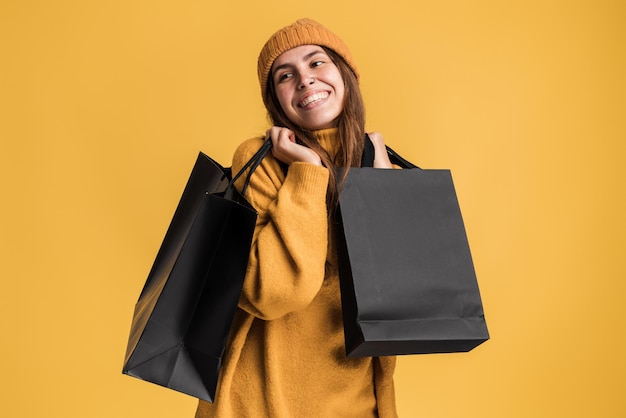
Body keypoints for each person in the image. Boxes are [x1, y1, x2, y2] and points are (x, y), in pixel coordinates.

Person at [195, 18, 397, 417]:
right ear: (276, 100)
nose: (305, 80)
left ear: (345, 74)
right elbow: (277, 294)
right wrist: (307, 172)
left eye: (317, 63)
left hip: (356, 400)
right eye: (286, 75)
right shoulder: (260, 161)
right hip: (260, 402)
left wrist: (383, 188)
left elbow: (394, 299)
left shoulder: (383, 168)